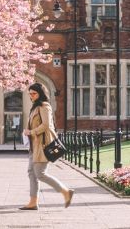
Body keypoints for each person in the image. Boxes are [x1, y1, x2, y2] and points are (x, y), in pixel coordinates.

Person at [19, 82, 75, 210]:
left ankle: (66, 192)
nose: (31, 96)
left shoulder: (45, 106)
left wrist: (31, 132)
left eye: (34, 93)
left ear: (40, 93)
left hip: (42, 146)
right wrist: (27, 132)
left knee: (40, 174)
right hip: (34, 145)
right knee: (31, 173)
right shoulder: (35, 107)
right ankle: (33, 202)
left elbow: (46, 125)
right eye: (30, 94)